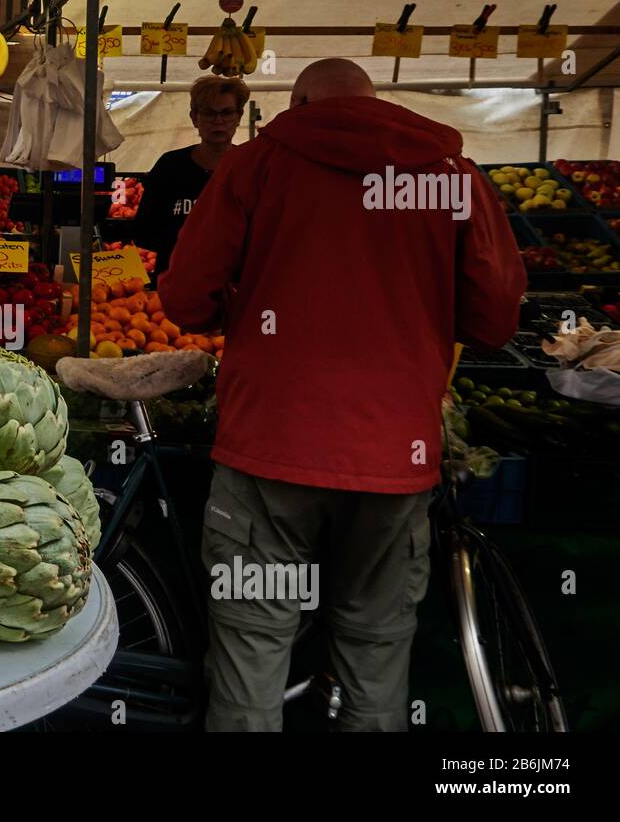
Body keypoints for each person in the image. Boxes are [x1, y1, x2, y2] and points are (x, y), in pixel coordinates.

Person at [156, 58, 525, 731]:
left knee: (252, 646)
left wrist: (242, 305)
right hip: (395, 455)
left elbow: (183, 297)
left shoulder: (254, 165)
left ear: (297, 102)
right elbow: (496, 319)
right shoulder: (450, 176)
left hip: (268, 448)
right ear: (374, 101)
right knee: (376, 650)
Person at [120, 75, 248, 283]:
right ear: (194, 117)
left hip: (234, 286)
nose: (218, 121)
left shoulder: (249, 166)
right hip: (177, 282)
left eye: (226, 113)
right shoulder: (171, 166)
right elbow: (145, 231)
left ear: (239, 116)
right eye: (209, 113)